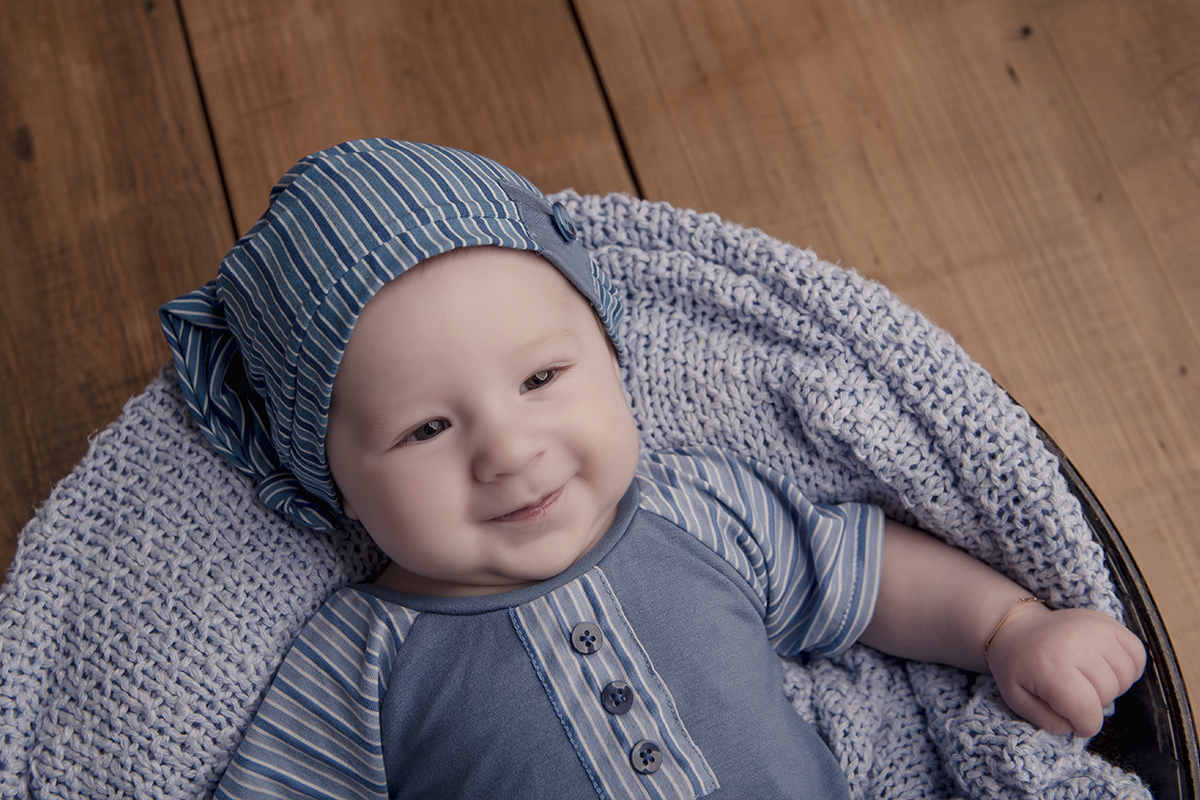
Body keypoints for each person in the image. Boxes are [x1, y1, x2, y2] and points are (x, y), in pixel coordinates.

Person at [160, 140, 1145, 799]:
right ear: (329, 478)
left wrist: (1009, 628)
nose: (509, 451)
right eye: (425, 429)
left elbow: (865, 574)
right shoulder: (362, 660)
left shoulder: (696, 510)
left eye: (541, 378)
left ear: (610, 352)